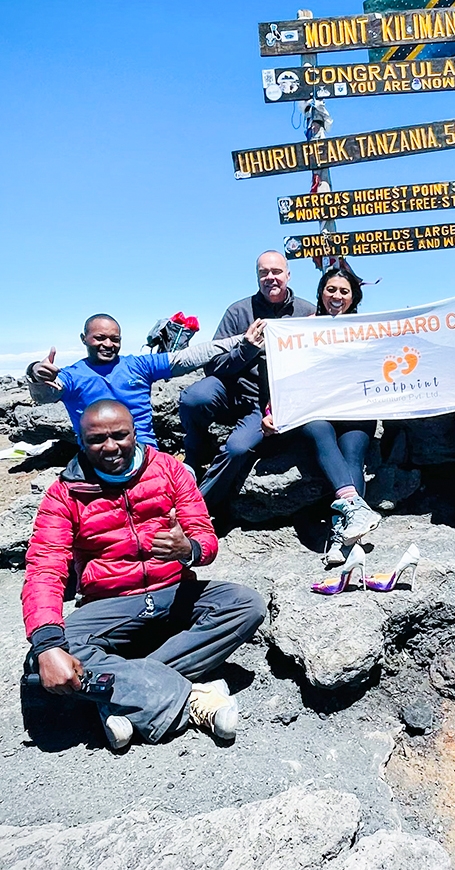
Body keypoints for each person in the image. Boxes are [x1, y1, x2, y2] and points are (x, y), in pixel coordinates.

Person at [21, 399, 266, 750]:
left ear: (135, 433)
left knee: (246, 604)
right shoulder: (64, 494)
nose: (110, 447)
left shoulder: (168, 469)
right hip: (110, 603)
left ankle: (122, 693)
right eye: (96, 440)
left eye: (120, 435)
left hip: (173, 591)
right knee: (48, 651)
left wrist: (189, 550)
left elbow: (205, 539)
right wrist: (46, 645)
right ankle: (192, 697)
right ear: (81, 441)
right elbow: (45, 567)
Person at [179, 251, 315, 513]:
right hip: (230, 390)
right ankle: (194, 456)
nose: (270, 278)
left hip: (266, 403)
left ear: (288, 274)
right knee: (194, 397)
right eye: (263, 273)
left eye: (276, 272)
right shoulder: (239, 311)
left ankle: (199, 508)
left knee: (237, 449)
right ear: (257, 277)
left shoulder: (306, 312)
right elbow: (213, 365)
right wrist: (247, 349)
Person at [27, 313, 246, 450]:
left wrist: (242, 340)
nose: (108, 344)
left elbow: (186, 358)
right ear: (84, 339)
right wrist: (35, 372)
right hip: (98, 458)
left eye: (115, 339)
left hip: (146, 456)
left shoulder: (138, 366)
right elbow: (45, 394)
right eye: (99, 338)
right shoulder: (72, 376)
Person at [297, 266, 380, 566]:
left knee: (352, 458)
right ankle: (355, 510)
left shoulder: (364, 327)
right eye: (331, 289)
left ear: (352, 297)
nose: (337, 296)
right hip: (316, 411)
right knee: (317, 430)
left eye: (344, 291)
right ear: (321, 292)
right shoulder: (302, 328)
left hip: (355, 409)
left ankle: (342, 538)